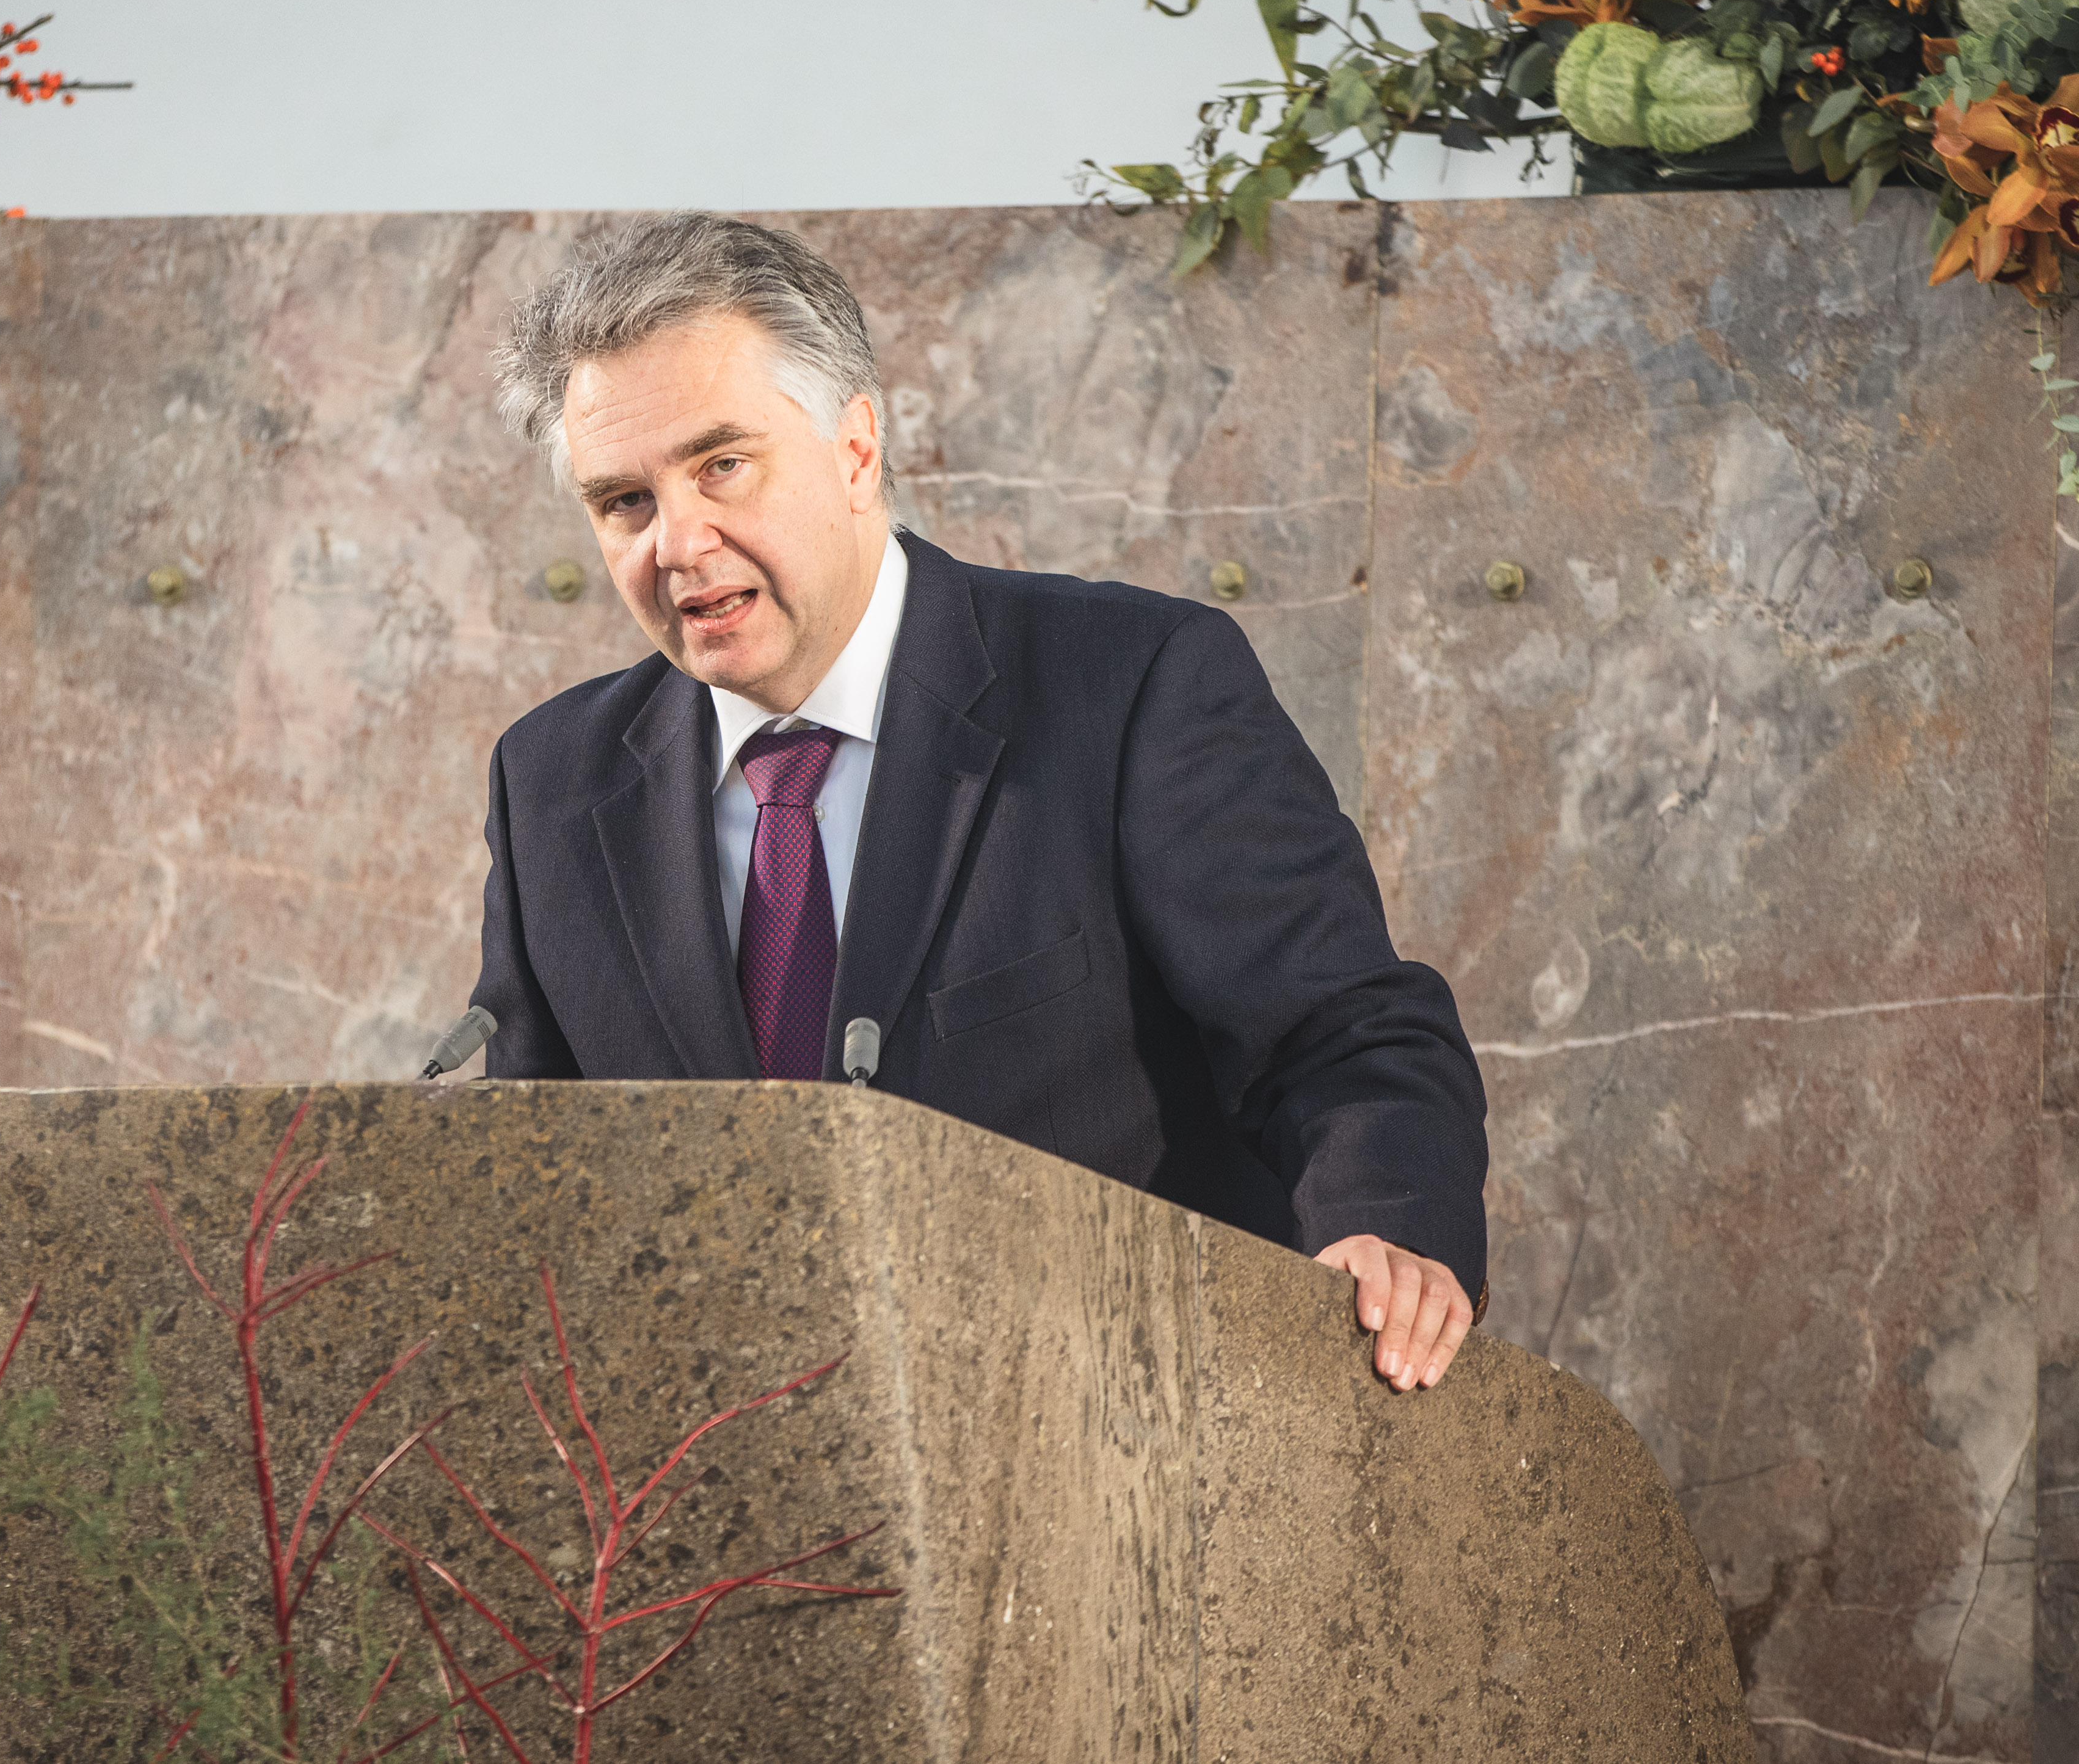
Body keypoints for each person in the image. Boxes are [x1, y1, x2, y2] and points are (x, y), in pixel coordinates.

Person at [466, 214, 1490, 1392]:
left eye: (722, 466)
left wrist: (1386, 1234)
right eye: (624, 503)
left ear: (855, 451)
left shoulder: (1133, 683)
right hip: (725, 1502)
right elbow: (525, 1176)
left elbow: (1342, 1031)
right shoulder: (551, 780)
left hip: (1117, 1448)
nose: (679, 541)